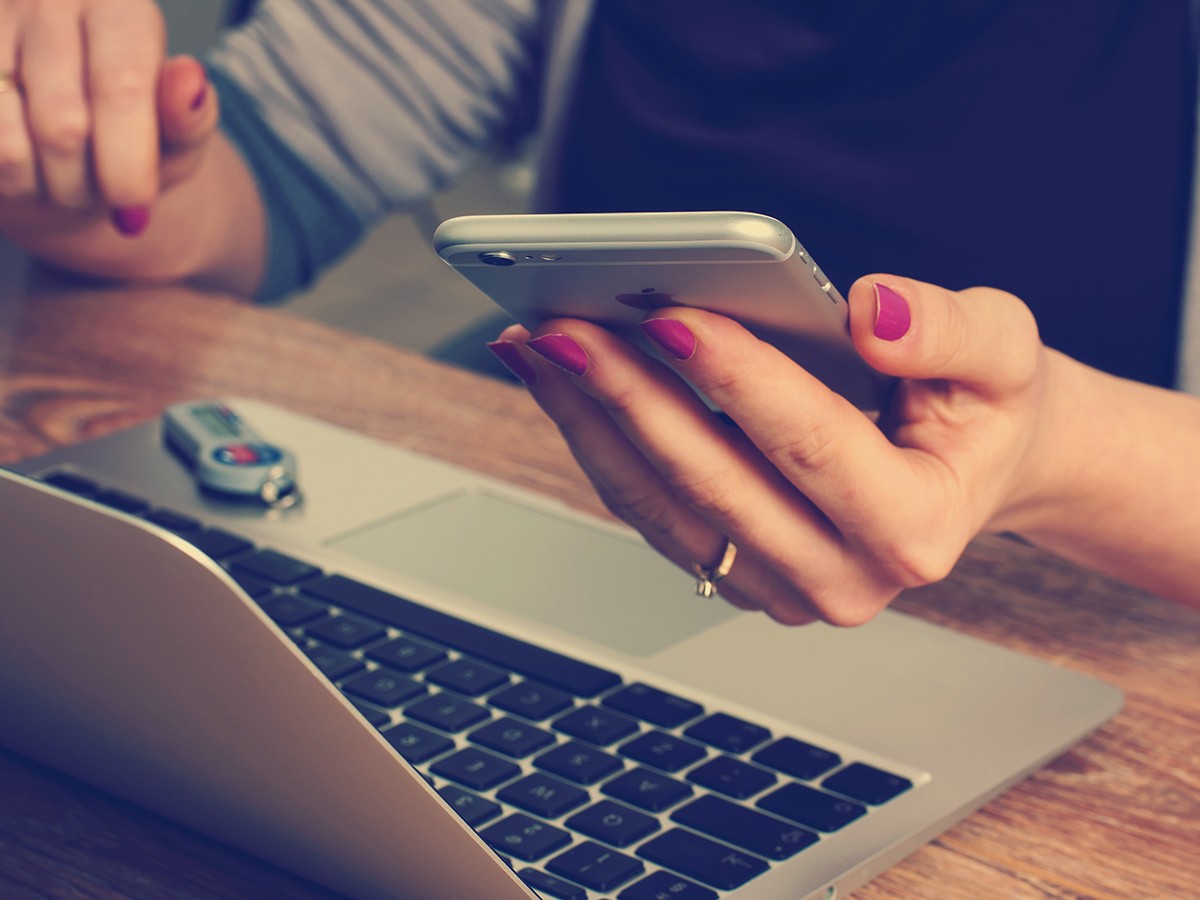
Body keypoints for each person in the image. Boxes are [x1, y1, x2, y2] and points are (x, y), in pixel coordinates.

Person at [0, 0, 1198, 620]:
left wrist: (1058, 451)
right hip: (583, 562)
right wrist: (90, 153)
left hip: (1109, 660)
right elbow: (272, 156)